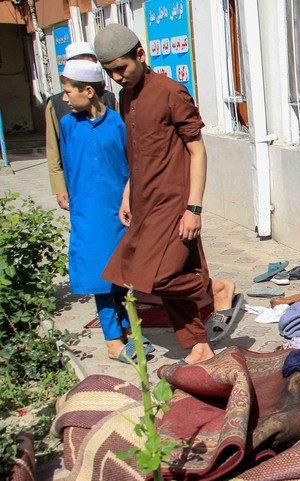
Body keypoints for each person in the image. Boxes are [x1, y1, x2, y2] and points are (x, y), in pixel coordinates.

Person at [95, 24, 238, 365]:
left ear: (140, 55)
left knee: (156, 275)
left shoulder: (172, 92)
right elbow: (137, 152)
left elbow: (197, 151)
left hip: (175, 201)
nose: (117, 77)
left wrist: (194, 208)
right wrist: (128, 192)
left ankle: (213, 288)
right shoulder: (124, 96)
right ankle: (199, 345)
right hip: (144, 201)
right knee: (140, 274)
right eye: (110, 71)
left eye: (121, 68)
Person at [57, 59, 144, 363]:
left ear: (89, 91)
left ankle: (127, 326)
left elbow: (131, 166)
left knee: (121, 272)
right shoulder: (68, 124)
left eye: (68, 91)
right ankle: (111, 341)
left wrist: (130, 202)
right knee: (99, 276)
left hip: (118, 210)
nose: (64, 98)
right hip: (88, 212)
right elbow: (70, 167)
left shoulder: (118, 124)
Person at [47, 42, 117, 212]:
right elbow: (53, 150)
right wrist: (60, 187)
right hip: (78, 183)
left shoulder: (110, 100)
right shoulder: (56, 104)